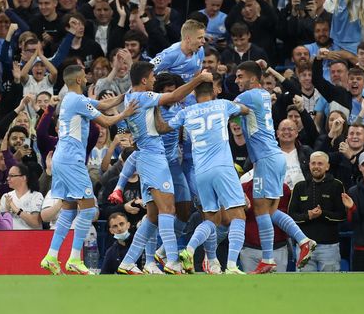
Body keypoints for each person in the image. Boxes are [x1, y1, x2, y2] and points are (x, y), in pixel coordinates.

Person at [116, 62, 212, 275]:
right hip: (153, 158)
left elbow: (159, 126)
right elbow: (173, 97)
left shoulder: (132, 97)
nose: (154, 81)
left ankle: (128, 262)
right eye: (151, 78)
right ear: (143, 80)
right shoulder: (141, 97)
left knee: (152, 216)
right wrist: (198, 79)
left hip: (147, 157)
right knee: (168, 210)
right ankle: (171, 261)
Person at [40, 65, 136, 275]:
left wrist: (124, 96)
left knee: (69, 208)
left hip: (61, 158)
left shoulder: (70, 99)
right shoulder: (78, 100)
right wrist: (125, 113)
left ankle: (51, 256)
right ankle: (75, 258)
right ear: (78, 80)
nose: (87, 79)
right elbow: (107, 120)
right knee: (89, 207)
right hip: (72, 160)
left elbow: (102, 104)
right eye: (85, 76)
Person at [157, 80, 249, 274]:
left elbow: (163, 128)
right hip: (223, 167)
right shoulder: (223, 104)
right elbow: (245, 110)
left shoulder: (186, 112)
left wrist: (155, 107)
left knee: (211, 219)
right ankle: (232, 265)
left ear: (194, 94)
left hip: (200, 172)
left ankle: (189, 249)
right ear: (214, 90)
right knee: (238, 215)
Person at [234, 61, 316, 274]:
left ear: (252, 79)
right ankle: (303, 240)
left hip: (266, 159)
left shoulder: (248, 96)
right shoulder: (262, 94)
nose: (236, 80)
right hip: (272, 157)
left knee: (261, 209)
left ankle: (268, 259)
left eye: (240, 76)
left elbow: (225, 110)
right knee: (271, 211)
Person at [288, 151, 346, 272]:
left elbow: (342, 215)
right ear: (309, 165)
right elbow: (291, 215)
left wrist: (322, 214)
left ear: (327, 166)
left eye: (320, 163)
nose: (316, 166)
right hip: (305, 245)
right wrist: (307, 216)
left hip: (329, 246)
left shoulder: (336, 185)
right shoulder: (300, 186)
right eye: (313, 163)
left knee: (331, 285)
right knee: (304, 286)